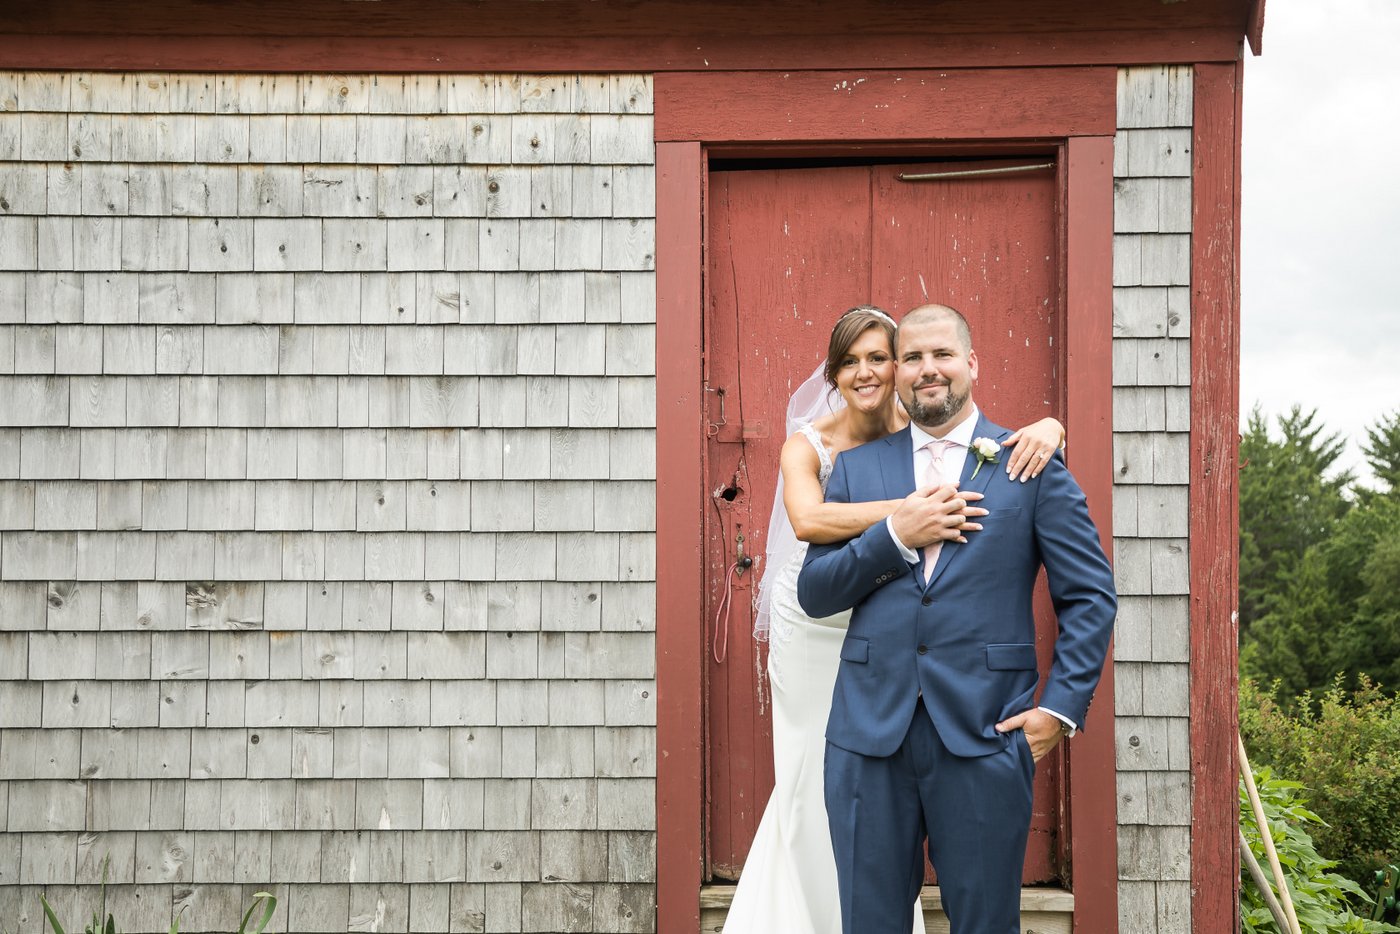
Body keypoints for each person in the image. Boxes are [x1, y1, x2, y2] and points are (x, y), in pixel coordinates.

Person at [725, 306, 1066, 934]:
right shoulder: (820, 450)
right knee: (808, 778)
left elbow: (970, 418)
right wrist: (900, 524)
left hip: (959, 698)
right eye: (851, 362)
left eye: (880, 358)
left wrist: (1051, 425)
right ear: (832, 375)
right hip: (827, 635)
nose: (869, 372)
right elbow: (808, 528)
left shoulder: (932, 421)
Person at [797, 303, 1117, 934]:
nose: (927, 369)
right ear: (897, 374)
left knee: (986, 924)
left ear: (971, 363)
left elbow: (1090, 596)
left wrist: (1060, 708)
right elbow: (815, 591)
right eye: (912, 357)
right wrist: (893, 534)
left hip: (985, 733)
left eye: (941, 354)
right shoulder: (860, 470)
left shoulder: (1027, 465)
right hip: (866, 738)